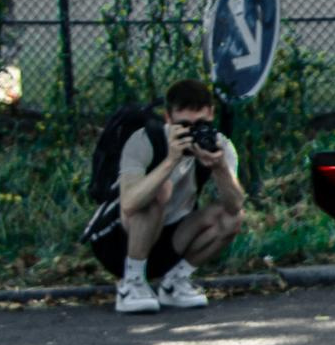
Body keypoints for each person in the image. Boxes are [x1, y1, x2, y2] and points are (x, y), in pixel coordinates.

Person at [100, 74, 244, 315]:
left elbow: (236, 205)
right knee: (160, 191)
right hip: (120, 243)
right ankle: (131, 283)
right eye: (183, 125)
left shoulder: (220, 145)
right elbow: (129, 203)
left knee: (231, 217)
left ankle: (175, 283)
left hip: (172, 239)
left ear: (210, 113)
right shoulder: (145, 140)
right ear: (168, 118)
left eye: (198, 124)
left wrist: (219, 168)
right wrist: (170, 161)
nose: (191, 132)